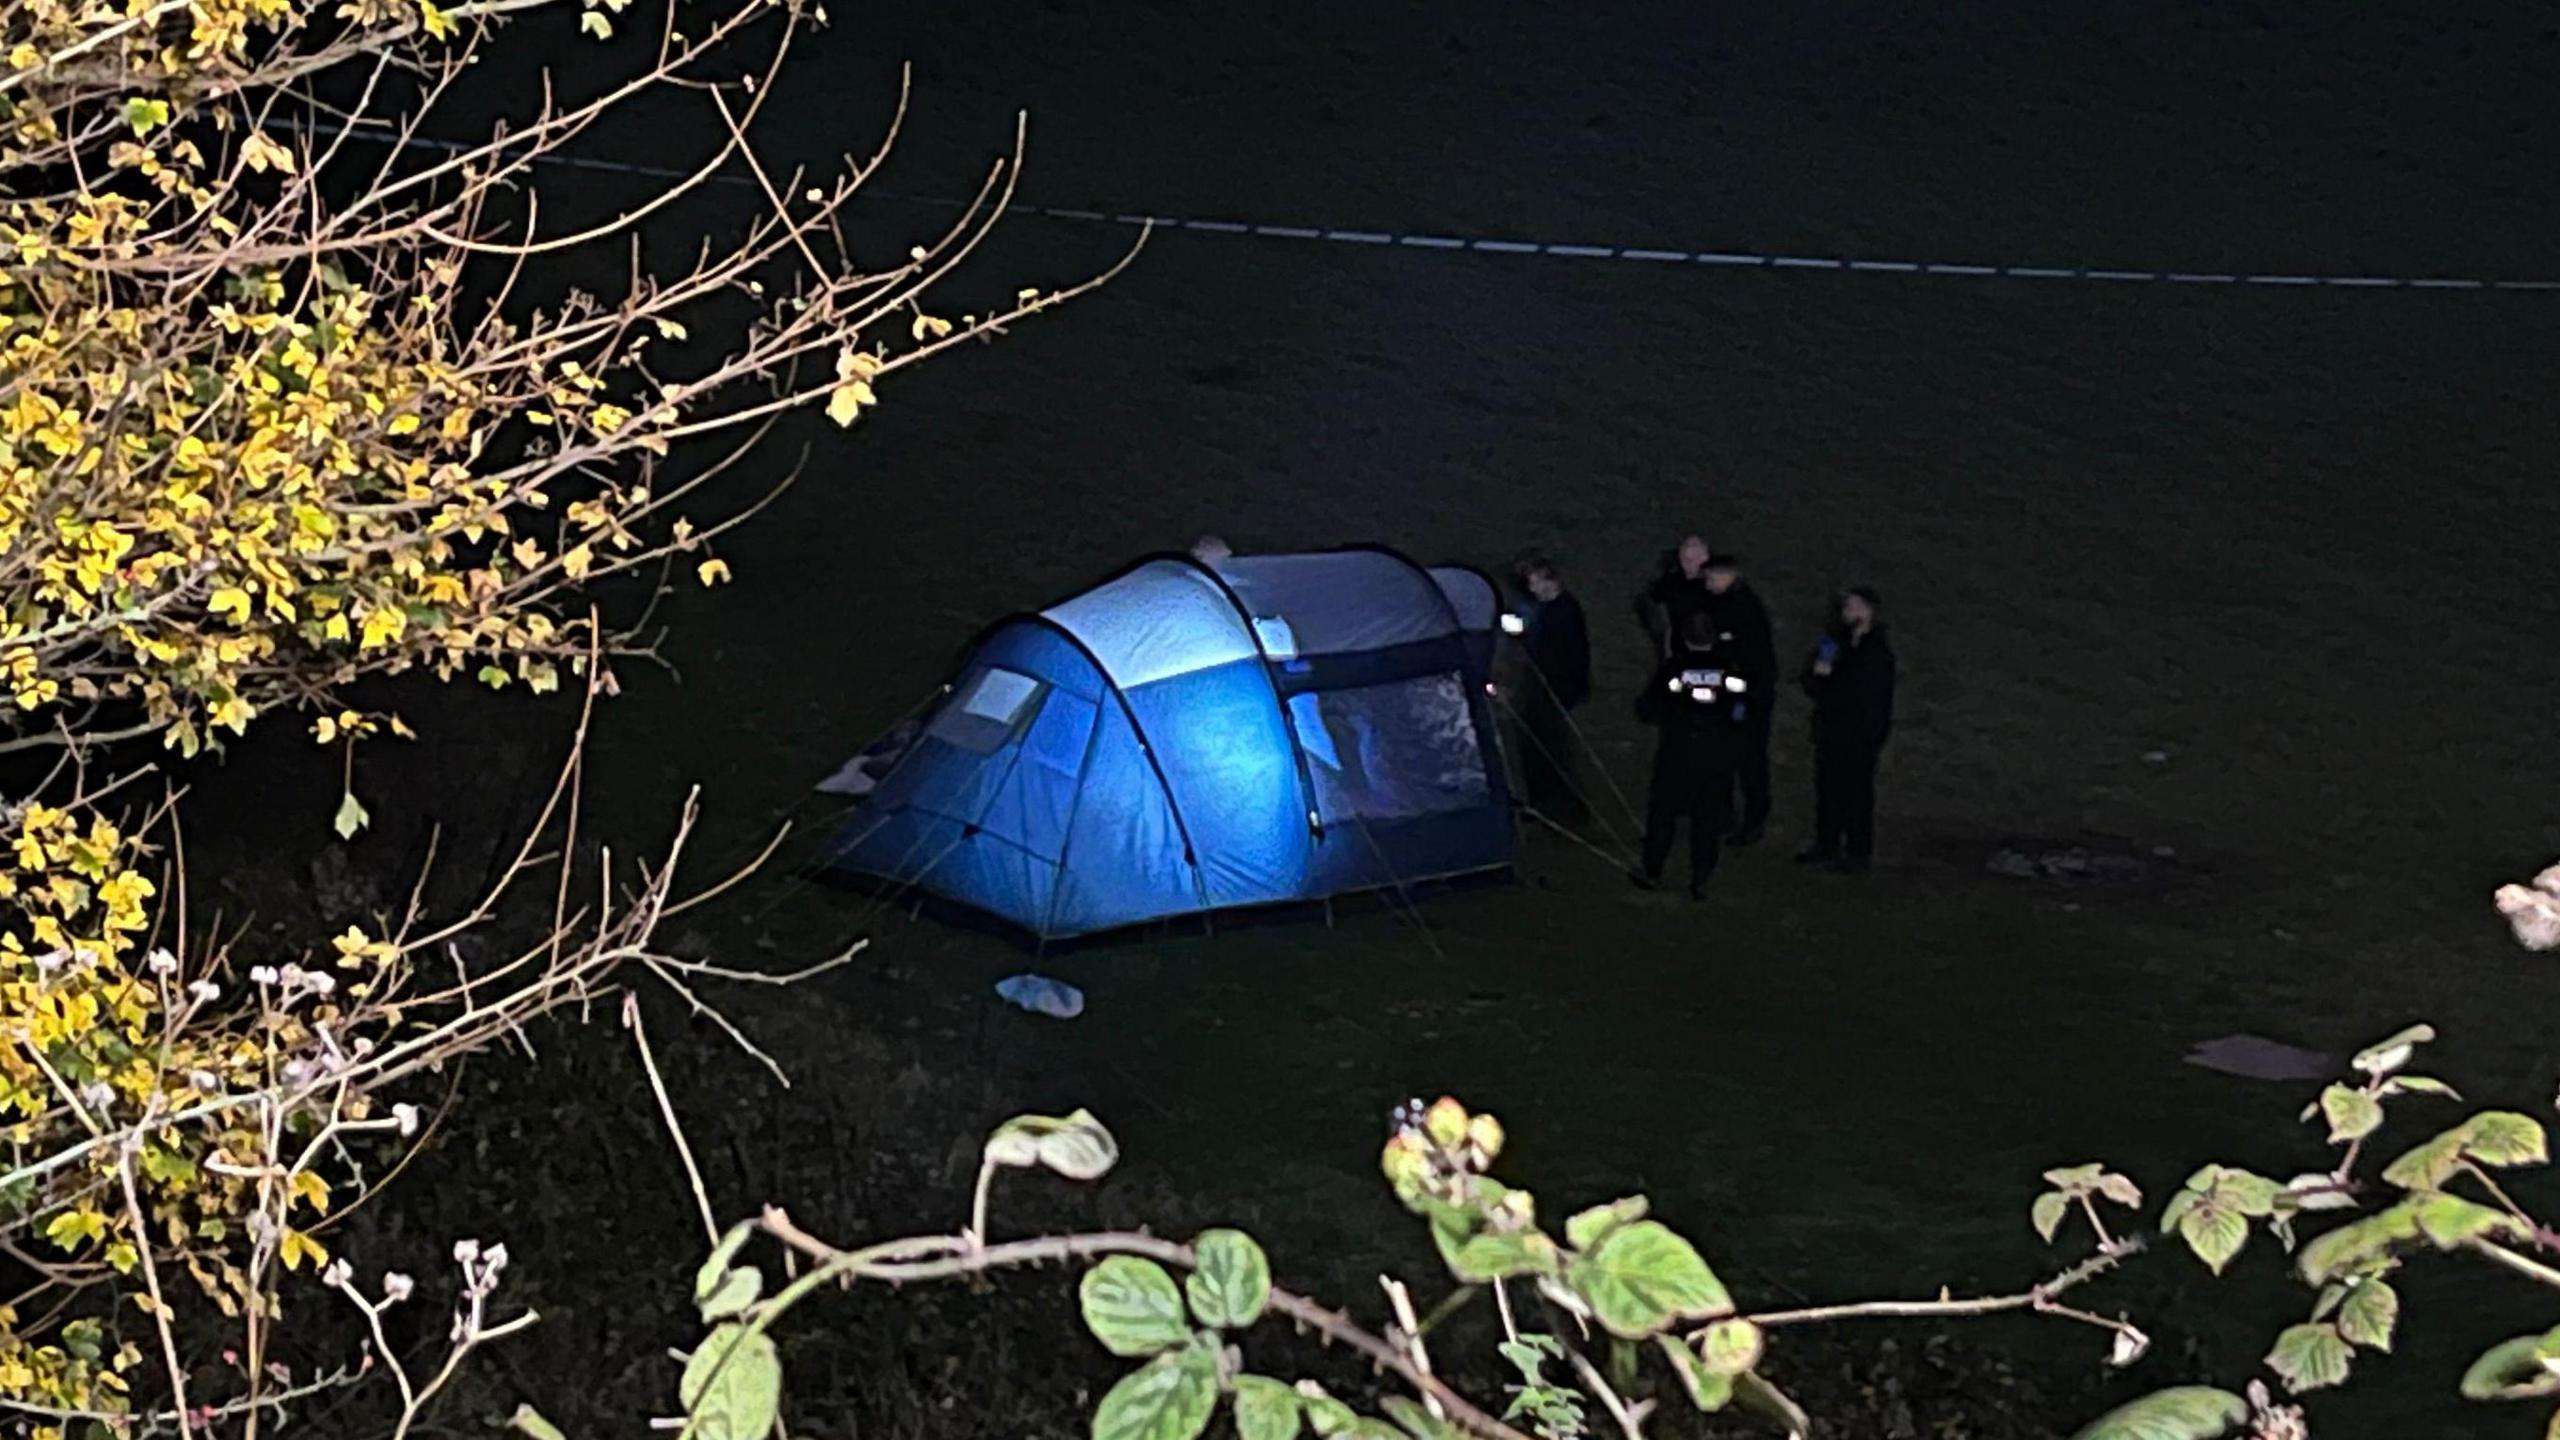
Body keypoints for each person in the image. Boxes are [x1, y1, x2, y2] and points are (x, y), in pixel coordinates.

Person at [1633, 610, 1751, 898]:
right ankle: (1701, 877)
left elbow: (1647, 709)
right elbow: (1742, 708)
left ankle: (1653, 869)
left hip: (1677, 750)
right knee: (1707, 818)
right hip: (1715, 754)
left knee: (1663, 813)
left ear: (1685, 638)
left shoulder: (1673, 669)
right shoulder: (1730, 670)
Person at [1798, 587, 1896, 872]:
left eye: (1854, 607)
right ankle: (1826, 843)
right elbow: (1813, 679)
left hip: (1859, 733)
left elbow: (1865, 692)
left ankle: (1857, 852)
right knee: (1828, 789)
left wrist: (1833, 679)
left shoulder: (1876, 651)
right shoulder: (1834, 642)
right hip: (1831, 728)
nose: (1848, 613)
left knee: (1856, 793)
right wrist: (1818, 675)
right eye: (1846, 607)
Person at [1701, 553, 1777, 844]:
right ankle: (1729, 817)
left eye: (1711, 578)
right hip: (1737, 693)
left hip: (1748, 696)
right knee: (1730, 758)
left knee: (1749, 761)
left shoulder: (1743, 609)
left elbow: (1751, 658)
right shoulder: (1730, 604)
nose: (1707, 585)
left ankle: (1752, 822)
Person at [1511, 558, 1591, 824]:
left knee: (1550, 747)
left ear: (1550, 581)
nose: (1532, 589)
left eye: (1535, 583)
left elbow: (1568, 654)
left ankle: (1560, 803)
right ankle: (1544, 800)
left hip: (1555, 689)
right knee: (1536, 744)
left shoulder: (1564, 611)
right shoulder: (1547, 609)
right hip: (1544, 687)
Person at [1633, 534, 1714, 659]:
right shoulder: (1670, 583)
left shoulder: (1716, 584)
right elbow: (1651, 606)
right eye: (1684, 559)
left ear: (1705, 558)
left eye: (1692, 560)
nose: (1687, 565)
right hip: (1678, 648)